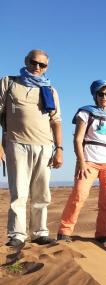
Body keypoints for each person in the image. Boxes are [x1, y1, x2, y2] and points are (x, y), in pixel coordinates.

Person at [0, 50, 63, 247]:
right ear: (26, 61)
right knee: (19, 192)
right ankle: (17, 235)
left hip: (45, 146)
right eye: (34, 62)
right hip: (16, 144)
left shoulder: (50, 89)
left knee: (41, 193)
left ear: (46, 67)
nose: (37, 67)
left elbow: (56, 121)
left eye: (42, 65)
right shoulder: (8, 83)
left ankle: (39, 232)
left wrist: (59, 148)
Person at [56, 80, 106, 245]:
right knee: (78, 196)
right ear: (95, 95)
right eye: (100, 94)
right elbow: (78, 138)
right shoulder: (85, 113)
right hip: (88, 161)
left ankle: (102, 235)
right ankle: (64, 232)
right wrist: (81, 161)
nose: (104, 97)